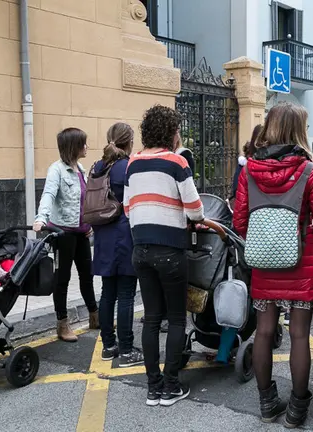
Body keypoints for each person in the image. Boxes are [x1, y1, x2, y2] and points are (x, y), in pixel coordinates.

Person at [233, 102, 313, 427]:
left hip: (265, 265)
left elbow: (239, 220)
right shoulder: (310, 171)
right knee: (300, 335)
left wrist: (264, 241)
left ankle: (267, 403)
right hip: (301, 263)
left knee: (263, 332)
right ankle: (296, 411)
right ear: (299, 130)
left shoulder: (249, 170)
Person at [125, 105, 204, 407]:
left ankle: (153, 387)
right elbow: (195, 209)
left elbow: (128, 208)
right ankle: (170, 386)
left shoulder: (132, 164)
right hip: (170, 250)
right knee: (176, 319)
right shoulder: (176, 162)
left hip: (140, 249)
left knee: (151, 319)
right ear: (171, 133)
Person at [33, 128, 99, 343]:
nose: (87, 147)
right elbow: (49, 194)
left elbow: (84, 200)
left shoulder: (79, 168)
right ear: (74, 146)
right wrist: (41, 218)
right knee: (63, 279)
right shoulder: (57, 170)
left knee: (87, 275)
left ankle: (94, 317)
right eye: (83, 144)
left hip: (81, 232)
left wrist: (89, 222)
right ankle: (62, 324)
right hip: (63, 233)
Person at [91, 122, 145, 367]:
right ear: (129, 141)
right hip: (124, 233)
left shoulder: (97, 166)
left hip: (102, 234)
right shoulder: (128, 167)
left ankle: (108, 345)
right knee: (125, 294)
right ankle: (126, 349)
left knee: (107, 293)